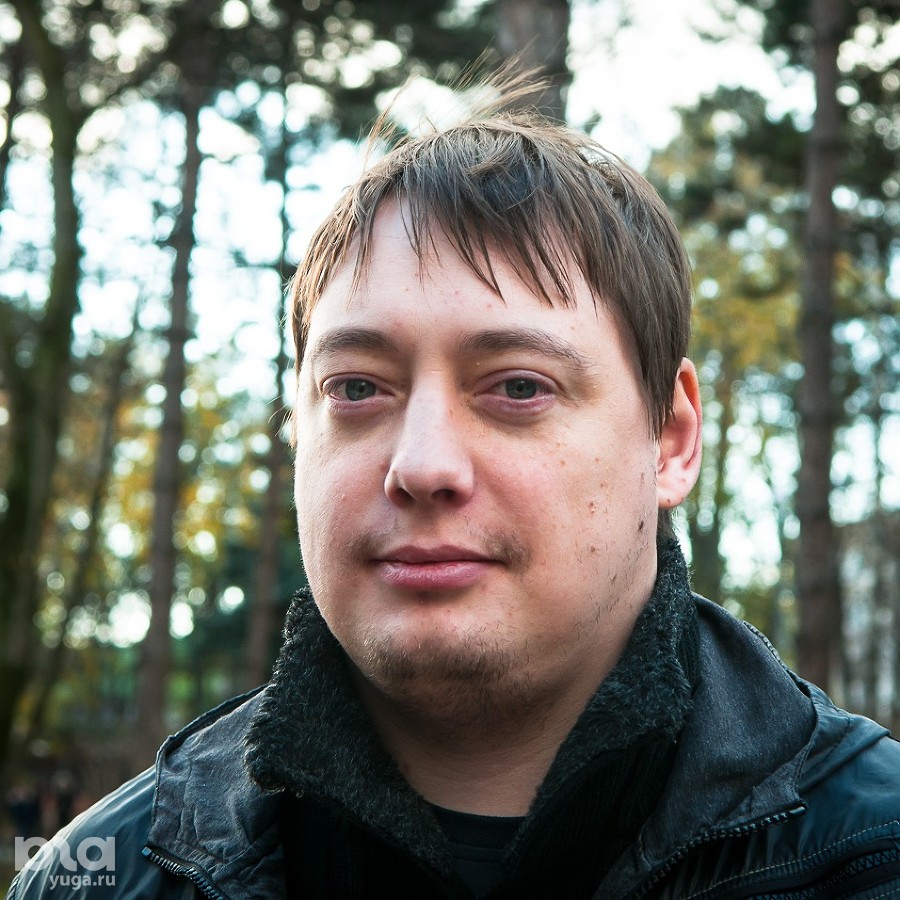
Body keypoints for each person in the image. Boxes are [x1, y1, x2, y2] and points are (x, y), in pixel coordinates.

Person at [9, 84, 900, 899]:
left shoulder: (871, 857)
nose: (423, 465)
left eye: (518, 386)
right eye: (357, 388)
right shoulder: (99, 881)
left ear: (670, 438)